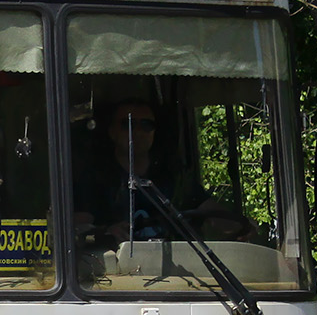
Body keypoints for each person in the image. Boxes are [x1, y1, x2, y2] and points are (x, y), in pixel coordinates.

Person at [74, 98, 251, 244]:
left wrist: (241, 225)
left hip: (176, 274)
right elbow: (79, 229)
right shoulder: (95, 178)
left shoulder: (173, 176)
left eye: (146, 125)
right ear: (112, 132)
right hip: (118, 276)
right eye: (127, 124)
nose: (138, 132)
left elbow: (211, 212)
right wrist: (106, 232)